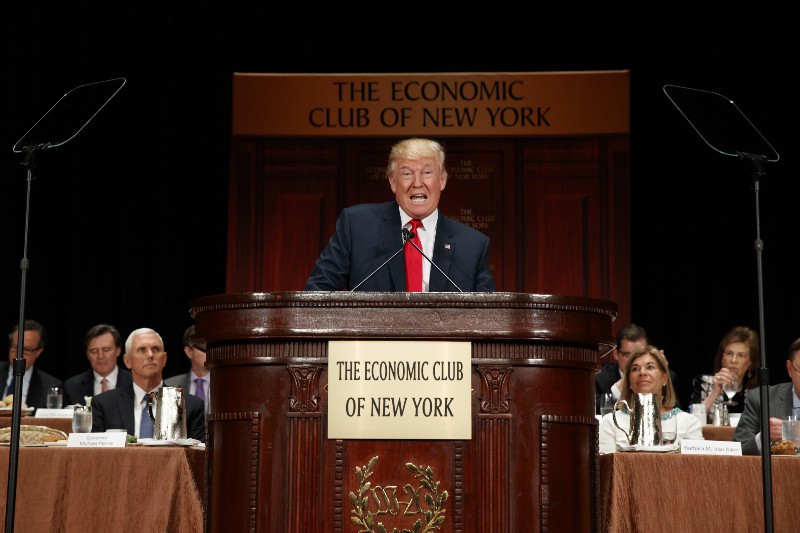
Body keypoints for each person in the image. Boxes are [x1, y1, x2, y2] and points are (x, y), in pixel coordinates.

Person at [305, 137, 496, 292]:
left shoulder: (472, 245)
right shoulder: (357, 226)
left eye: (427, 172)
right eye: (406, 174)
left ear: (443, 180)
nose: (417, 183)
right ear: (393, 183)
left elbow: (489, 317)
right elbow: (318, 292)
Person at [91, 327, 205, 441]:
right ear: (127, 361)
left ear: (164, 359)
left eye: (155, 349)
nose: (150, 355)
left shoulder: (188, 405)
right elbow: (97, 454)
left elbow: (195, 456)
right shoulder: (105, 404)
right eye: (142, 350)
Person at [599, 345, 702, 453]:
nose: (642, 372)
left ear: (664, 378)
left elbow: (695, 466)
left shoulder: (689, 423)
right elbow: (606, 465)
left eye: (650, 367)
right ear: (629, 382)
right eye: (635, 369)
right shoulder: (611, 422)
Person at [734, 337, 800, 455]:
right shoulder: (761, 399)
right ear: (790, 369)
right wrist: (763, 438)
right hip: (779, 472)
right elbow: (740, 450)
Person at [595, 323, 679, 412]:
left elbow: (676, 411)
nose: (635, 360)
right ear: (616, 354)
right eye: (628, 355)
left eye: (641, 353)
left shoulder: (667, 376)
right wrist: (618, 388)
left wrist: (662, 369)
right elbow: (593, 411)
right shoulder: (601, 377)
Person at [690, 326, 760, 418]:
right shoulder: (703, 382)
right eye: (729, 353)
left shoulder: (757, 391)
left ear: (750, 362)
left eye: (741, 355)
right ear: (722, 358)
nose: (733, 360)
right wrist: (715, 392)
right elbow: (692, 421)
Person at [62, 324, 133, 405]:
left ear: (118, 351)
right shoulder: (72, 387)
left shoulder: (133, 382)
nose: (100, 356)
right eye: (94, 351)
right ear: (87, 354)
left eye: (106, 350)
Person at [0, 319, 62, 408]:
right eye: (15, 347)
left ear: (38, 352)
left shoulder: (51, 385)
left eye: (26, 350)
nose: (19, 354)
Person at [164, 325, 209, 413]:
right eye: (202, 347)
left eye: (210, 346)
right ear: (189, 352)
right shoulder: (170, 386)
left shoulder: (227, 385)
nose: (208, 351)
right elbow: (169, 426)